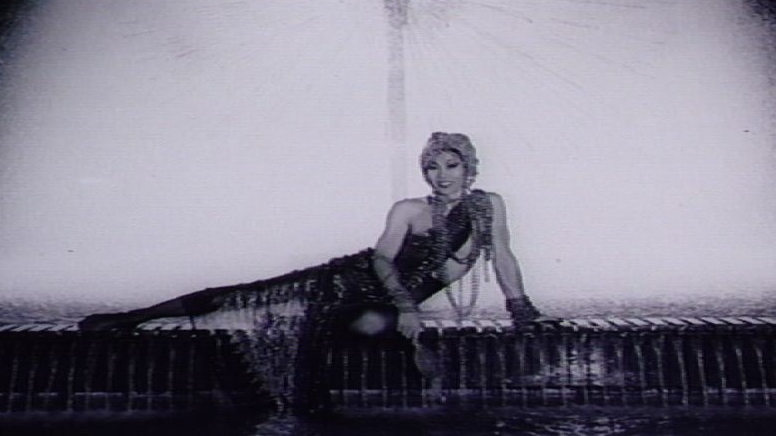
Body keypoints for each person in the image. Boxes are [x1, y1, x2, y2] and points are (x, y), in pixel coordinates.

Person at [78, 132, 546, 336]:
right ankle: (130, 318)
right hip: (350, 280)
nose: (440, 176)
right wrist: (406, 305)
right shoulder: (408, 209)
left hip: (379, 307)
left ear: (469, 166)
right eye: (431, 167)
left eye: (450, 165)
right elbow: (382, 260)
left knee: (363, 328)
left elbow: (503, 256)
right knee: (249, 294)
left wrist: (521, 309)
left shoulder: (488, 205)